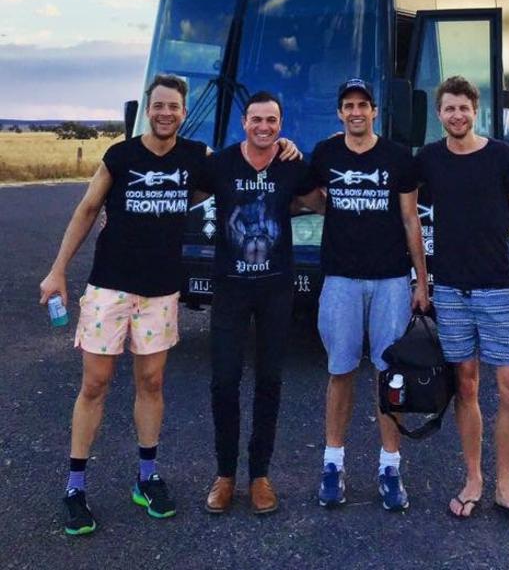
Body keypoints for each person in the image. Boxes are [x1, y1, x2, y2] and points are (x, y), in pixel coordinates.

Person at [39, 74, 208, 535]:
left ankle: (146, 477)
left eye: (174, 106)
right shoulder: (120, 155)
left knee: (151, 382)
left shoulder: (196, 158)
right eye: (158, 106)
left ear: (184, 111)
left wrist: (285, 148)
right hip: (110, 288)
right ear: (145, 111)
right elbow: (88, 209)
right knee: (95, 384)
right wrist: (57, 271)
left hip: (161, 292)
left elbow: (236, 175)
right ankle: (75, 487)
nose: (166, 113)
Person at [415, 75, 509, 527]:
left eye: (463, 108)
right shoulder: (428, 159)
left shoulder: (500, 155)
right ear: (439, 114)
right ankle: (473, 480)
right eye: (448, 109)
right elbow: (399, 195)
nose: (456, 116)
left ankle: (506, 487)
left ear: (476, 109)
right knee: (465, 386)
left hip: (497, 290)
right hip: (450, 292)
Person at [309, 78, 429, 512]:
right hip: (340, 278)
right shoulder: (325, 154)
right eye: (348, 105)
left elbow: (411, 219)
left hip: (391, 281)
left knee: (388, 374)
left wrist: (421, 280)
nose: (356, 112)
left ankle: (390, 466)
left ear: (374, 111)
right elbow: (308, 196)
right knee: (340, 370)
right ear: (339, 113)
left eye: (363, 105)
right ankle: (333, 463)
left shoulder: (397, 157)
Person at [202, 91, 317, 516]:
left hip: (275, 288)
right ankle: (225, 474)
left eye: (271, 121)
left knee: (270, 381)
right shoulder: (221, 165)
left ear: (280, 126)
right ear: (243, 123)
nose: (263, 127)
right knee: (224, 381)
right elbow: (181, 188)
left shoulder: (291, 165)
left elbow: (321, 195)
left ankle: (260, 475)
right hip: (230, 288)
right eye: (256, 120)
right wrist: (114, 210)